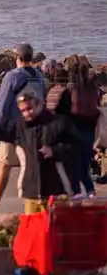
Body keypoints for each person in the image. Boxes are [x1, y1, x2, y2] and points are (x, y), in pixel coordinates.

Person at [0, 43, 44, 217]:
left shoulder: (13, 76)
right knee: (30, 168)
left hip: (13, 128)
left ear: (18, 58)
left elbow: (3, 105)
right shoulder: (38, 76)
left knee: (4, 166)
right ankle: (36, 209)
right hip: (34, 128)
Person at [51, 55, 100, 198]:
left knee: (74, 167)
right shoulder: (92, 87)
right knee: (84, 165)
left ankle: (77, 193)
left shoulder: (71, 89)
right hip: (90, 130)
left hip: (75, 130)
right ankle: (91, 192)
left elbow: (65, 110)